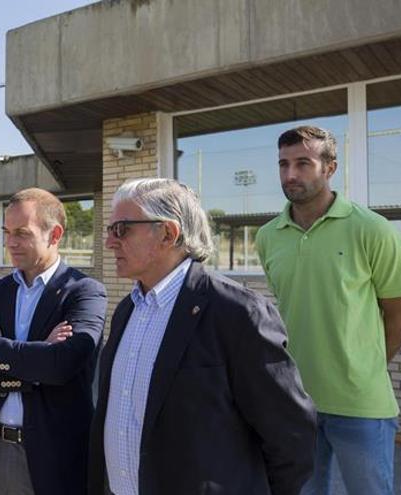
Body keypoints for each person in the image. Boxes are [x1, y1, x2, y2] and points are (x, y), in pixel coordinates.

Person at [88, 178, 316, 495]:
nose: (110, 242)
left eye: (121, 229)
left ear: (167, 233)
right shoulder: (128, 309)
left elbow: (291, 436)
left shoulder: (238, 313)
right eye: (109, 230)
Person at [256, 125, 401, 494]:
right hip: (296, 401)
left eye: (303, 163)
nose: (290, 174)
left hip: (361, 404)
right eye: (283, 164)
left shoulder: (372, 229)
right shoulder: (268, 236)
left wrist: (364, 367)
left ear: (330, 168)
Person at [0, 188, 107, 495]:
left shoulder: (84, 292)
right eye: (7, 232)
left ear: (55, 234)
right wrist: (36, 364)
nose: (10, 242)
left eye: (22, 233)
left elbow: (62, 366)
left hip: (55, 455)